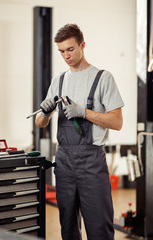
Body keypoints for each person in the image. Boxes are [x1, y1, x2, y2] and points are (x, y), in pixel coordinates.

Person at [35, 24, 124, 240]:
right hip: (64, 161)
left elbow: (117, 121)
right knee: (68, 227)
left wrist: (84, 112)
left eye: (70, 49)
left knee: (98, 228)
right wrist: (45, 112)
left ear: (83, 45)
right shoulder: (59, 80)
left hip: (91, 162)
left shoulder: (103, 78)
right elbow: (39, 123)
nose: (66, 55)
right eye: (61, 51)